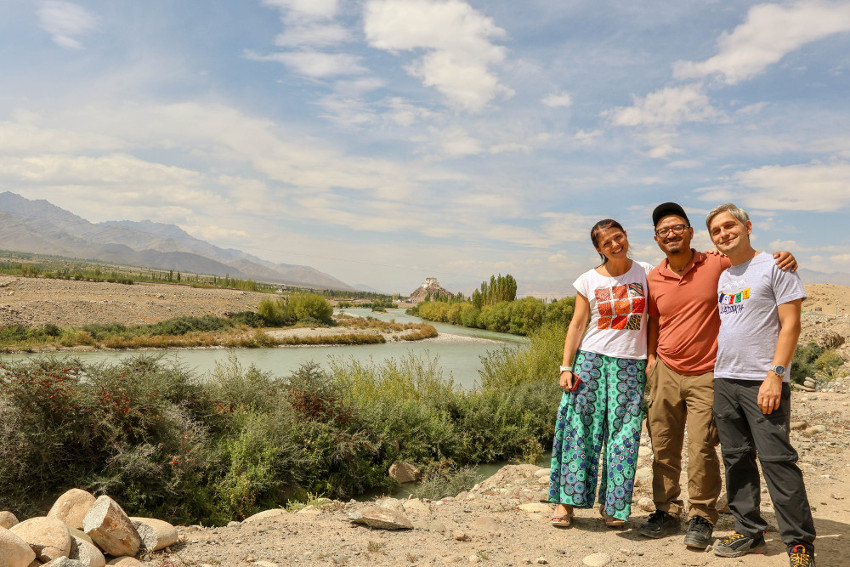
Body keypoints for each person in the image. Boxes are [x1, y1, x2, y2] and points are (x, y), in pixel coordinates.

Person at [639, 203, 797, 550]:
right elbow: (653, 320)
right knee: (663, 444)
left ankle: (701, 515)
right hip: (666, 369)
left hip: (709, 373)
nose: (671, 234)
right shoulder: (653, 277)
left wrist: (784, 258)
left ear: (691, 232)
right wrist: (651, 357)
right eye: (664, 230)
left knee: (702, 449)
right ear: (656, 238)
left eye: (678, 227)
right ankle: (666, 509)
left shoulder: (715, 261)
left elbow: (750, 261)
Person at [706, 203, 815, 567]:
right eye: (716, 231)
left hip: (762, 382)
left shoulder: (776, 266)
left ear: (747, 226)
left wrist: (776, 375)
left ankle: (799, 545)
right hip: (725, 380)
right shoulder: (724, 276)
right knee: (736, 459)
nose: (723, 234)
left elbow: (791, 325)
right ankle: (749, 530)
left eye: (729, 226)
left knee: (777, 461)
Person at [548, 219, 653, 528]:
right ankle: (566, 503)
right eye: (607, 243)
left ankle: (614, 508)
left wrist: (653, 355)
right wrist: (566, 366)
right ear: (599, 249)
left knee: (625, 434)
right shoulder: (588, 280)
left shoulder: (647, 272)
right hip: (590, 362)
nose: (615, 245)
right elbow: (577, 325)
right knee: (579, 431)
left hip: (630, 364)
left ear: (626, 236)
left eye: (618, 238)